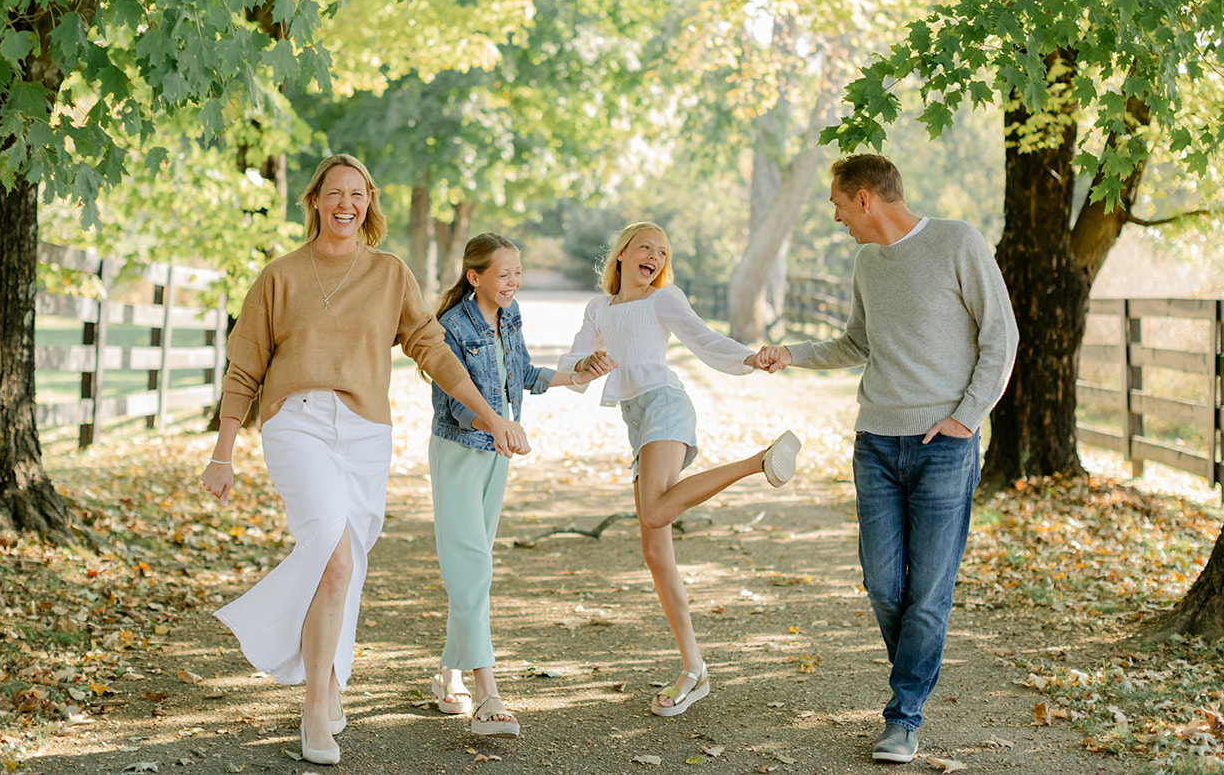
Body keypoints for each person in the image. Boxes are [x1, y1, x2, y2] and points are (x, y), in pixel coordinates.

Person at [198, 154, 529, 767]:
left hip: (365, 433)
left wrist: (490, 415)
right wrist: (223, 451)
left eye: (357, 194)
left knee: (344, 569)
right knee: (331, 549)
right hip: (296, 422)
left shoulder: (389, 274)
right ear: (316, 202)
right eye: (334, 193)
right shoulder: (280, 277)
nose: (345, 204)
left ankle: (328, 682)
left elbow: (431, 346)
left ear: (369, 202)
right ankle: (315, 707)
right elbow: (244, 366)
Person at [754, 153, 1018, 764]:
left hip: (944, 447)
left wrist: (965, 418)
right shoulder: (867, 262)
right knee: (882, 583)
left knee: (928, 590)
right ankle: (915, 679)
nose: (837, 215)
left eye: (839, 204)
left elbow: (999, 336)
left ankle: (904, 714)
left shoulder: (957, 242)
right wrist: (789, 354)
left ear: (866, 198)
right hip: (875, 443)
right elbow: (857, 342)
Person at [559, 221, 802, 719]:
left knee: (653, 514)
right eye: (645, 246)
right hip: (637, 419)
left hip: (664, 405)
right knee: (655, 550)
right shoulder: (599, 308)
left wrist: (751, 358)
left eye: (662, 251)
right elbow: (573, 366)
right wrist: (587, 365)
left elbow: (704, 338)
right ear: (623, 254)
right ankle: (695, 670)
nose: (654, 255)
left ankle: (759, 461)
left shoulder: (664, 300)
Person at [427, 234, 616, 737]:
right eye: (504, 273)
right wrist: (499, 424)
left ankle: (448, 673)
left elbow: (524, 374)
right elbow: (456, 406)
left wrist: (577, 374)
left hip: (499, 454)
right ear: (476, 278)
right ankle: (486, 692)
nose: (513, 282)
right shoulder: (450, 327)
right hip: (460, 455)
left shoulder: (509, 317)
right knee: (472, 566)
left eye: (518, 272)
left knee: (475, 563)